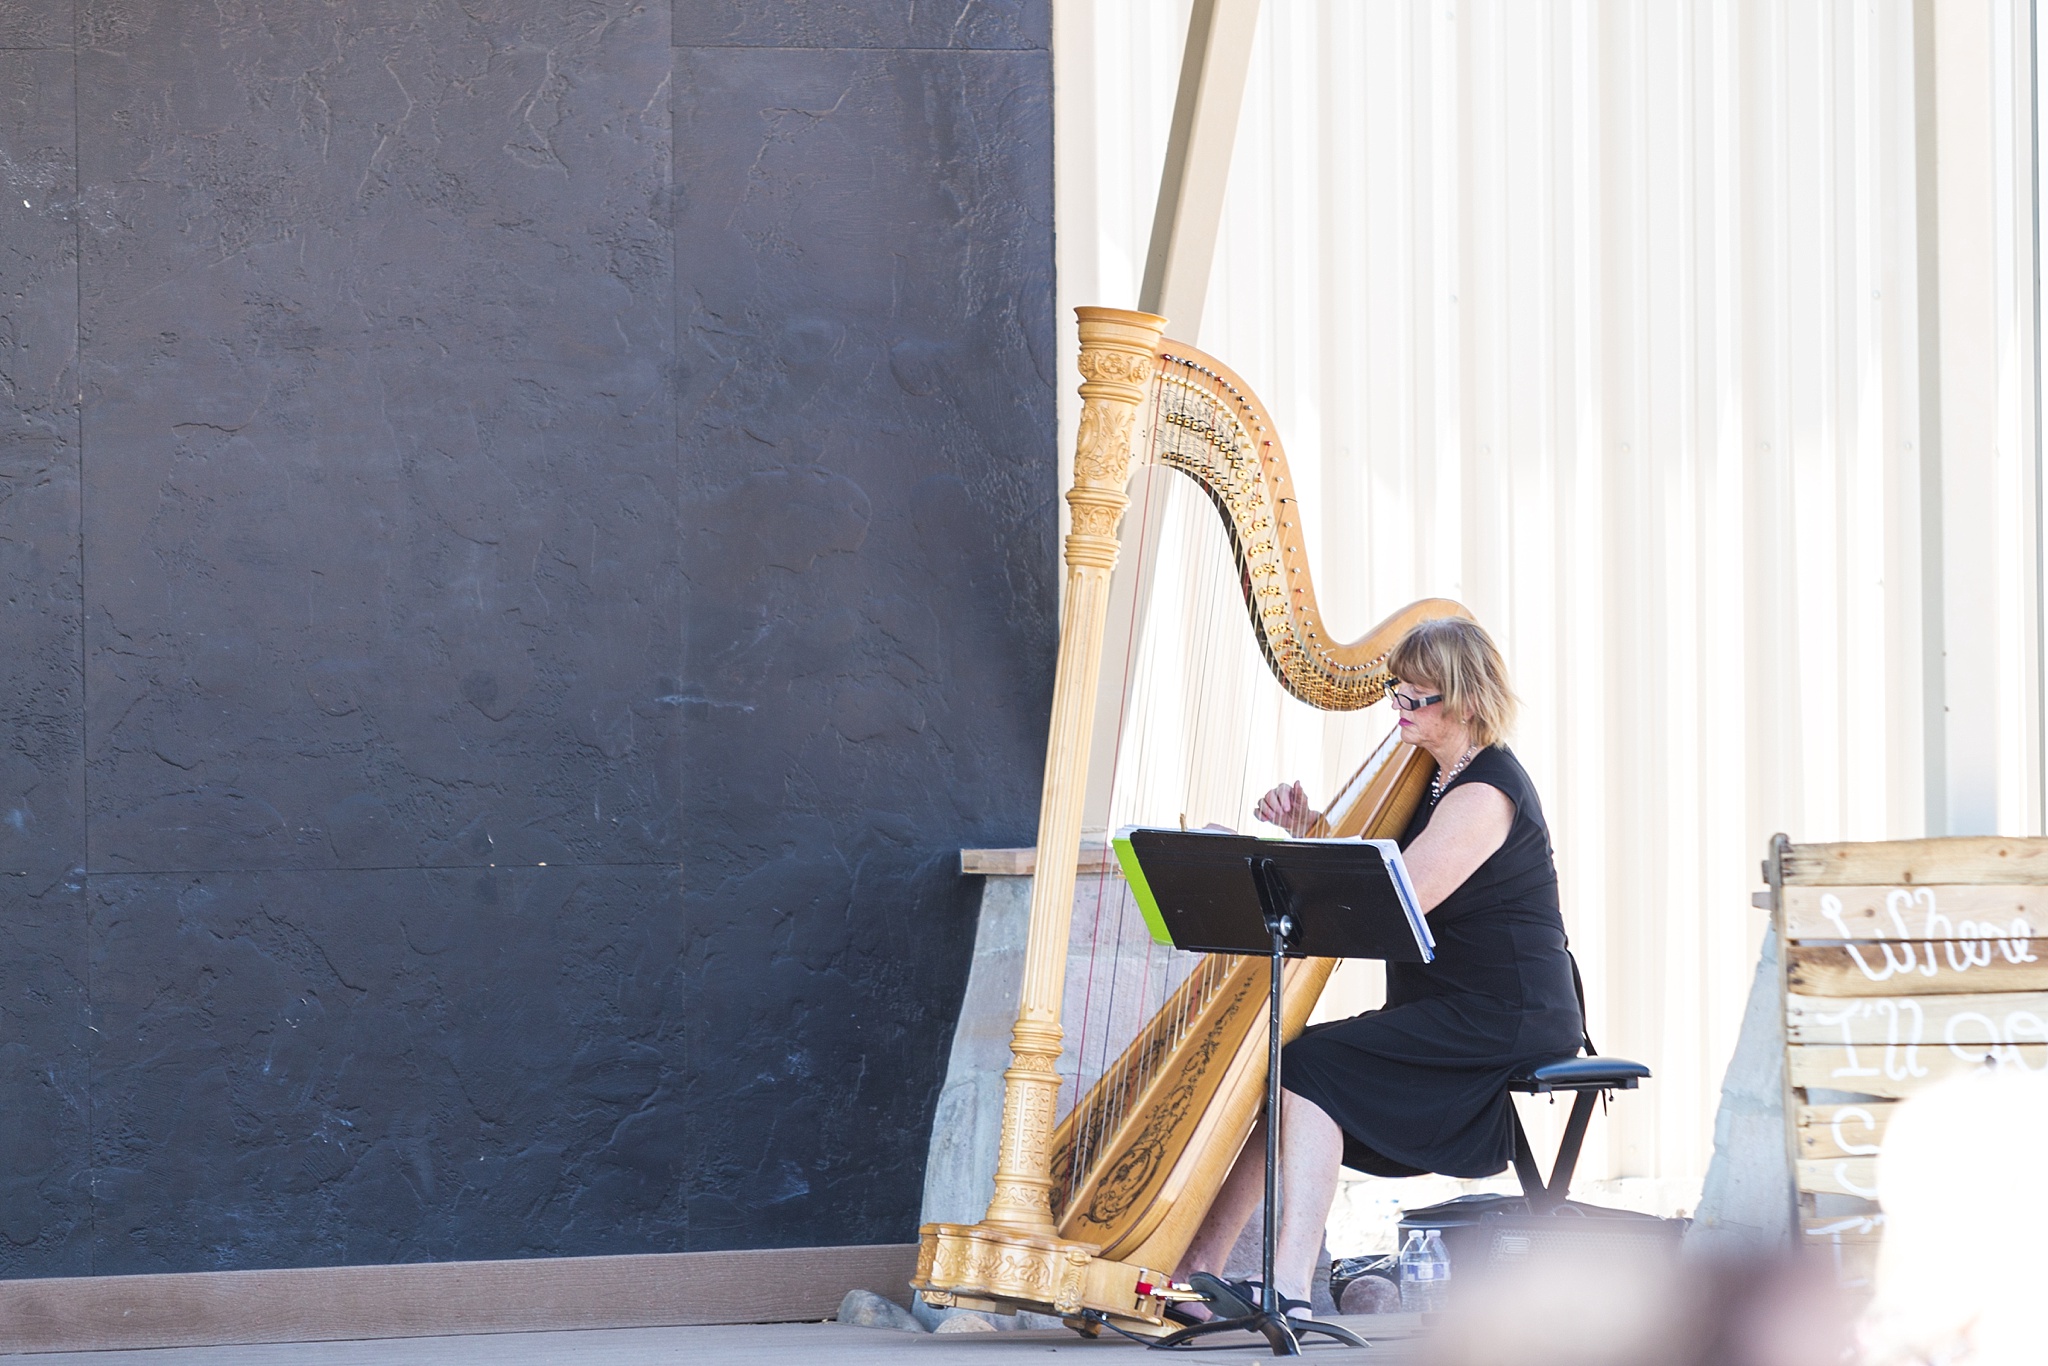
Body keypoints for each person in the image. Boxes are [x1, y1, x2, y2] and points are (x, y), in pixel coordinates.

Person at [1174, 616, 1585, 1320]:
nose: (1398, 708)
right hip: (1450, 1002)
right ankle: (1200, 1270)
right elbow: (1369, 874)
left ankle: (1290, 1289)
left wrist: (1258, 862)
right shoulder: (1431, 780)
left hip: (1505, 1013)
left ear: (1466, 698)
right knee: (1294, 1068)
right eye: (1395, 692)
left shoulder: (1486, 792)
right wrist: (1304, 835)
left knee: (1305, 1066)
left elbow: (1394, 904)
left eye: (1414, 698)